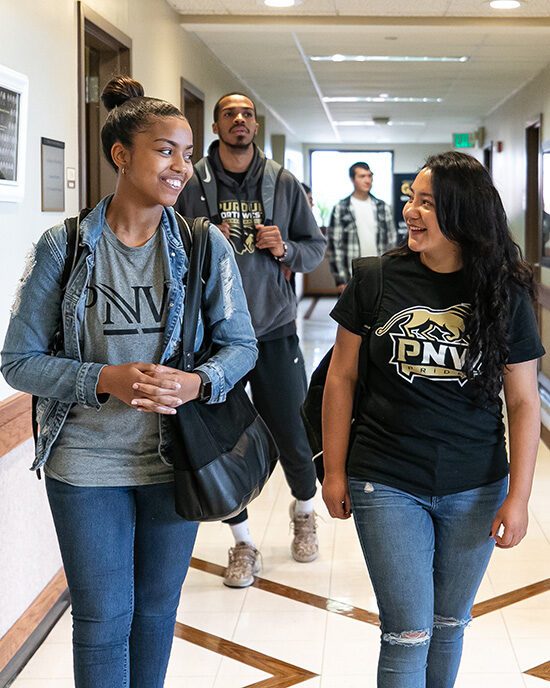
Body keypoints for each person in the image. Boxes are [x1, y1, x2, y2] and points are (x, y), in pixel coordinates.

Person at [1, 76, 257, 688]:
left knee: (156, 613)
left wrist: (199, 383)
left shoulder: (204, 247)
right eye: (166, 150)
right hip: (86, 465)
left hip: (176, 461)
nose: (181, 167)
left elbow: (242, 345)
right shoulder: (63, 247)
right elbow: (17, 361)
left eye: (188, 153)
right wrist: (103, 379)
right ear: (122, 155)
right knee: (101, 618)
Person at [322, 151, 543, 687]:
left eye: (426, 203)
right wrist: (333, 471)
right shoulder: (375, 279)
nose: (410, 213)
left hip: (476, 483)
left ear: (462, 216)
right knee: (407, 632)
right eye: (410, 200)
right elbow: (340, 378)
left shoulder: (503, 292)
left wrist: (518, 496)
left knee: (448, 625)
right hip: (387, 477)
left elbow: (523, 401)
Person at [175, 92, 326, 588]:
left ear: (255, 125)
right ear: (216, 124)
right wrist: (200, 233)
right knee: (221, 440)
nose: (239, 120)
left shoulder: (282, 182)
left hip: (273, 327)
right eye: (229, 114)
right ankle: (242, 542)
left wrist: (284, 246)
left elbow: (314, 248)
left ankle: (305, 510)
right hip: (213, 336)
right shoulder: (192, 182)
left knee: (291, 426)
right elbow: (164, 240)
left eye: (247, 114)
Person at [327, 161, 397, 293]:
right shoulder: (341, 208)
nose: (367, 180)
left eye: (370, 176)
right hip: (351, 274)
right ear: (352, 179)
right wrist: (340, 279)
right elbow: (334, 246)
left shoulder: (383, 207)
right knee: (352, 313)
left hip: (379, 273)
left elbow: (392, 241)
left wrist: (390, 272)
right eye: (362, 176)